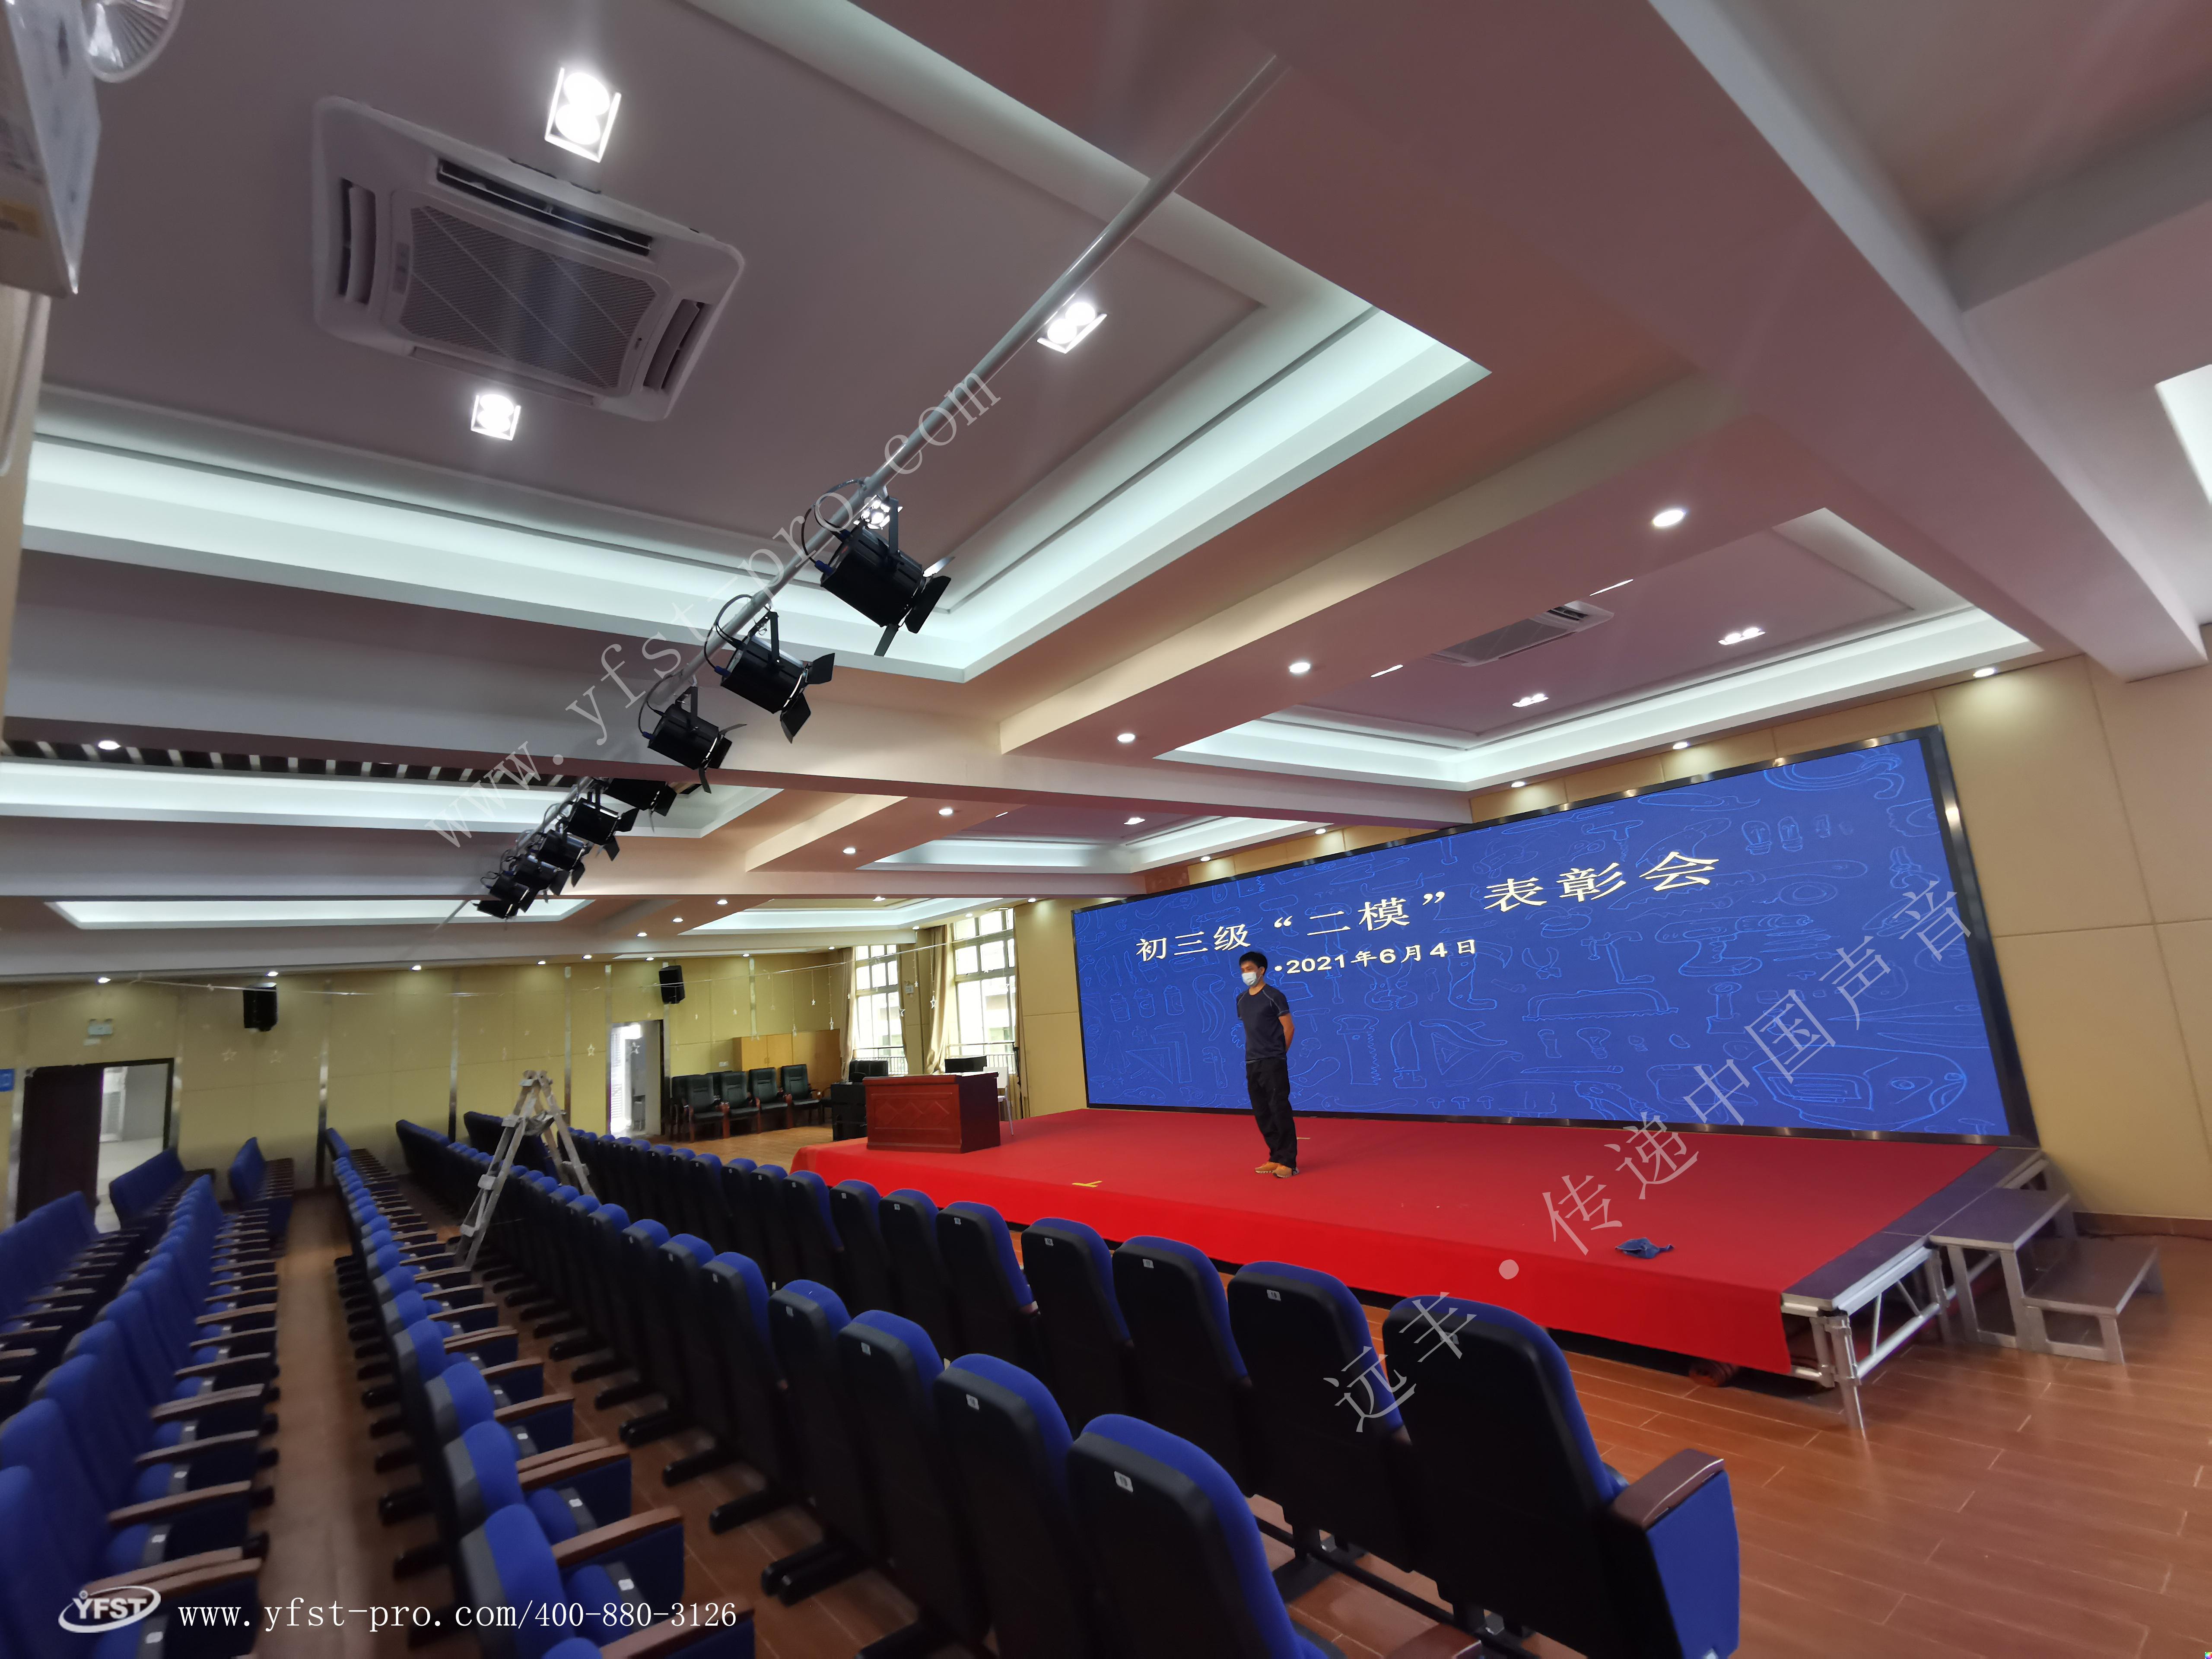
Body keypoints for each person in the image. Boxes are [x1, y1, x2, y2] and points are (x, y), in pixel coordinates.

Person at [1235, 950, 1297, 1176]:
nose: (1246, 974)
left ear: (1261, 971)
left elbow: (1289, 1028)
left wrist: (1279, 1054)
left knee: (1279, 1109)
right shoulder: (1241, 1000)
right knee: (1262, 1112)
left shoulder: (1274, 996)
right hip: (1252, 1061)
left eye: (1250, 969)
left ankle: (1289, 1162)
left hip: (1273, 1062)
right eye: (1243, 970)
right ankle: (1275, 1156)